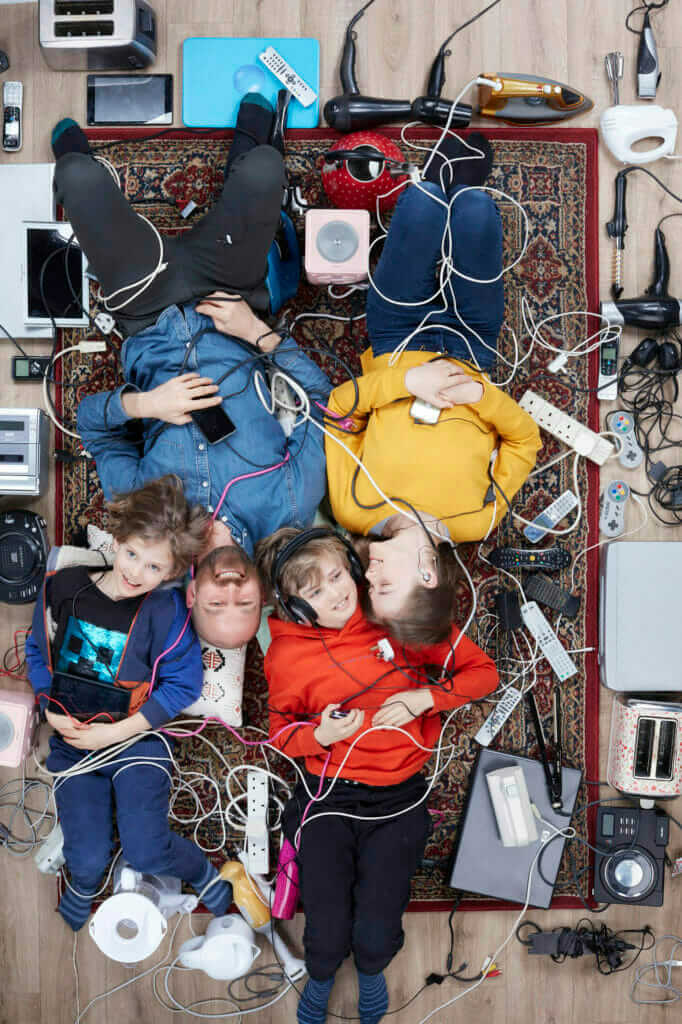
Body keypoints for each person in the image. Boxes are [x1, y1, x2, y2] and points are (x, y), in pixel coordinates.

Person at [47, 99, 331, 648]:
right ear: (263, 593)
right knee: (264, 169)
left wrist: (146, 406)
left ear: (192, 595)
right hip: (231, 298)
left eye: (217, 603)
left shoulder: (146, 523)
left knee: (77, 174)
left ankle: (84, 184)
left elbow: (90, 422)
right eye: (243, 603)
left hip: (145, 311)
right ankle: (246, 161)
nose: (229, 588)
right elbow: (324, 404)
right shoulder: (291, 502)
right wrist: (255, 332)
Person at [256, 527, 498, 1024]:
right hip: (326, 797)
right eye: (315, 592)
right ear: (296, 609)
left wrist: (424, 697)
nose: (337, 592)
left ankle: (371, 972)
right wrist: (318, 737)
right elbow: (280, 733)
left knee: (375, 929)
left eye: (338, 576)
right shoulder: (284, 655)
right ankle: (320, 975)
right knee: (326, 928)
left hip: (400, 798)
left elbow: (482, 674)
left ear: (354, 567)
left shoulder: (392, 613)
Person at [323, 133, 542, 645]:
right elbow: (525, 440)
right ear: (428, 575)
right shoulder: (478, 520)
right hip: (473, 347)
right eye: (384, 586)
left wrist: (405, 381)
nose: (368, 577)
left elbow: (336, 413)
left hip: (396, 339)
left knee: (421, 205)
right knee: (476, 211)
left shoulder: (353, 511)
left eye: (368, 586)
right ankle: (461, 187)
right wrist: (481, 399)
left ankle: (440, 183)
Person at [25, 476, 233, 931]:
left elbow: (182, 686)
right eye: (133, 553)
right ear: (118, 539)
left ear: (174, 573)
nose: (136, 572)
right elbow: (37, 650)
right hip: (73, 743)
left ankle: (197, 870)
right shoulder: (65, 586)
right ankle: (82, 882)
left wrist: (117, 733)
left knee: (145, 849)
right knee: (87, 855)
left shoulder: (168, 612)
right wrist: (47, 707)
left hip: (134, 741)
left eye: (155, 568)